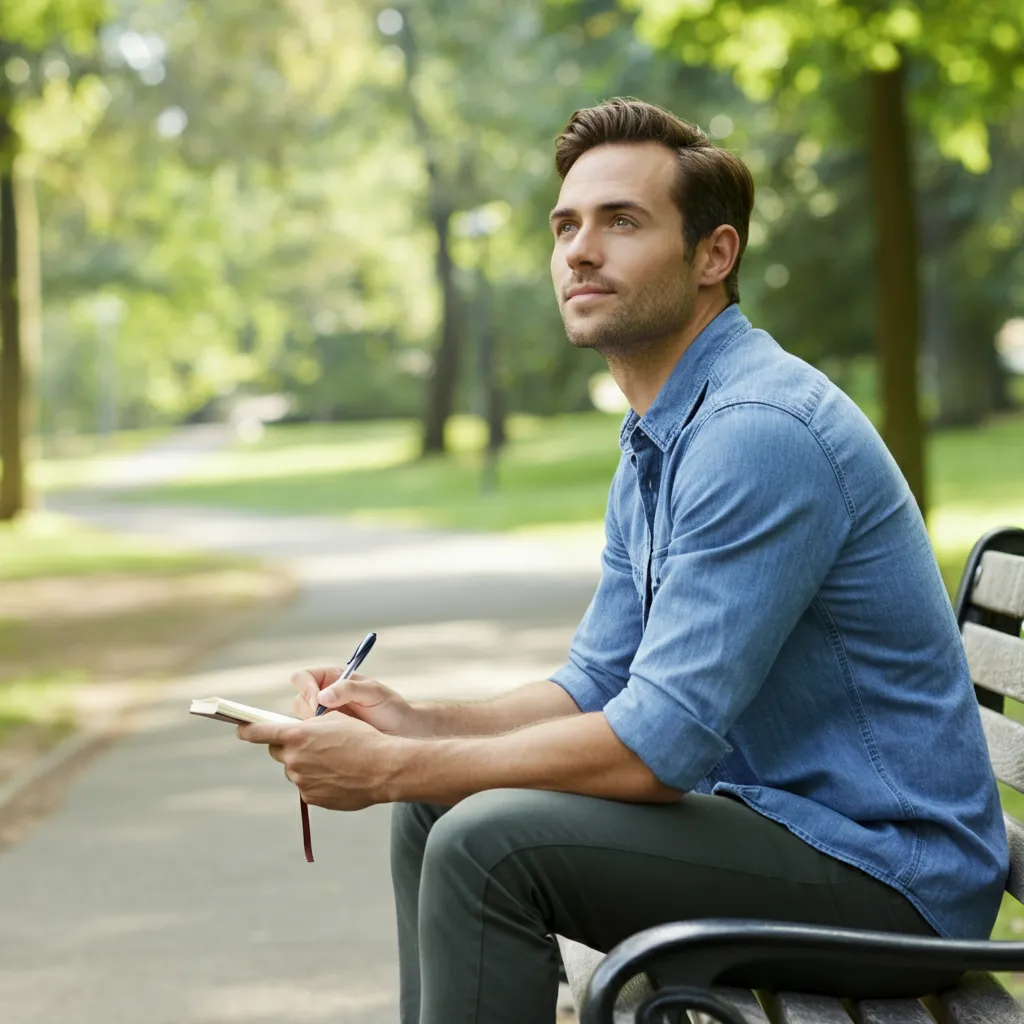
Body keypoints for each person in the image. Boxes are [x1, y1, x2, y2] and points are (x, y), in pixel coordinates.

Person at [238, 98, 1008, 1022]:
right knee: (440, 804)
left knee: (487, 839)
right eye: (566, 225)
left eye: (622, 222)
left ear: (714, 256)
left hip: (891, 879)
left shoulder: (755, 431)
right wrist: (414, 722)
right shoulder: (661, 430)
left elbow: (654, 748)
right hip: (789, 828)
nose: (580, 251)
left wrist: (388, 768)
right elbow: (600, 680)